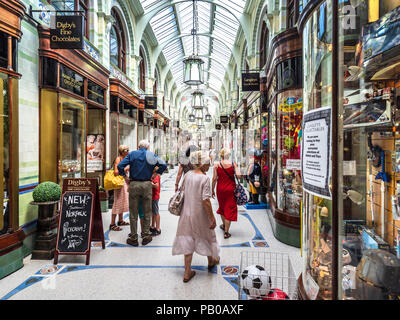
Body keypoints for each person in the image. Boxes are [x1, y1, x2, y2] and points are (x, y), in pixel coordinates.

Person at [172, 151, 220, 283]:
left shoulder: (187, 175)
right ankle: (211, 261)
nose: (209, 166)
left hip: (186, 213)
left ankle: (187, 272)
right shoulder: (204, 178)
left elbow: (183, 191)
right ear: (202, 164)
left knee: (188, 239)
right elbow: (205, 200)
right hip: (200, 214)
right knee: (207, 236)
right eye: (208, 163)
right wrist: (212, 218)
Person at [118, 140, 167, 246]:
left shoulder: (132, 154)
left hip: (134, 184)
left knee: (133, 212)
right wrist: (155, 174)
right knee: (147, 211)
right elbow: (163, 164)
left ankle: (134, 238)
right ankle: (146, 236)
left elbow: (120, 166)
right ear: (148, 148)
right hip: (147, 185)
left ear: (138, 146)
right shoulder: (150, 155)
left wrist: (125, 177)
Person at [212, 148, 241, 239]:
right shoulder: (233, 164)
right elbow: (239, 176)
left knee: (222, 207)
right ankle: (226, 232)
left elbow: (214, 179)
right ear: (229, 155)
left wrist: (212, 190)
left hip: (220, 189)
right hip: (230, 190)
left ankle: (224, 225)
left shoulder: (217, 165)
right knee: (229, 208)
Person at [110, 145, 131, 231]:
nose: (128, 152)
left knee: (122, 201)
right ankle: (112, 224)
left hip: (124, 182)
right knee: (117, 202)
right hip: (119, 184)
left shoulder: (125, 159)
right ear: (123, 151)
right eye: (127, 150)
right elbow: (115, 172)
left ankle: (120, 220)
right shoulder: (118, 159)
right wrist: (126, 169)